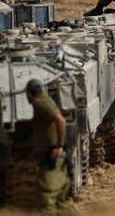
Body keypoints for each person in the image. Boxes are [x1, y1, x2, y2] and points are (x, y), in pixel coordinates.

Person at [26, 79, 70, 216]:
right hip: (52, 155)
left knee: (46, 196)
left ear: (28, 93)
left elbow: (60, 120)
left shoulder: (41, 103)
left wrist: (59, 146)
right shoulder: (44, 100)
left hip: (53, 155)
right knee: (58, 200)